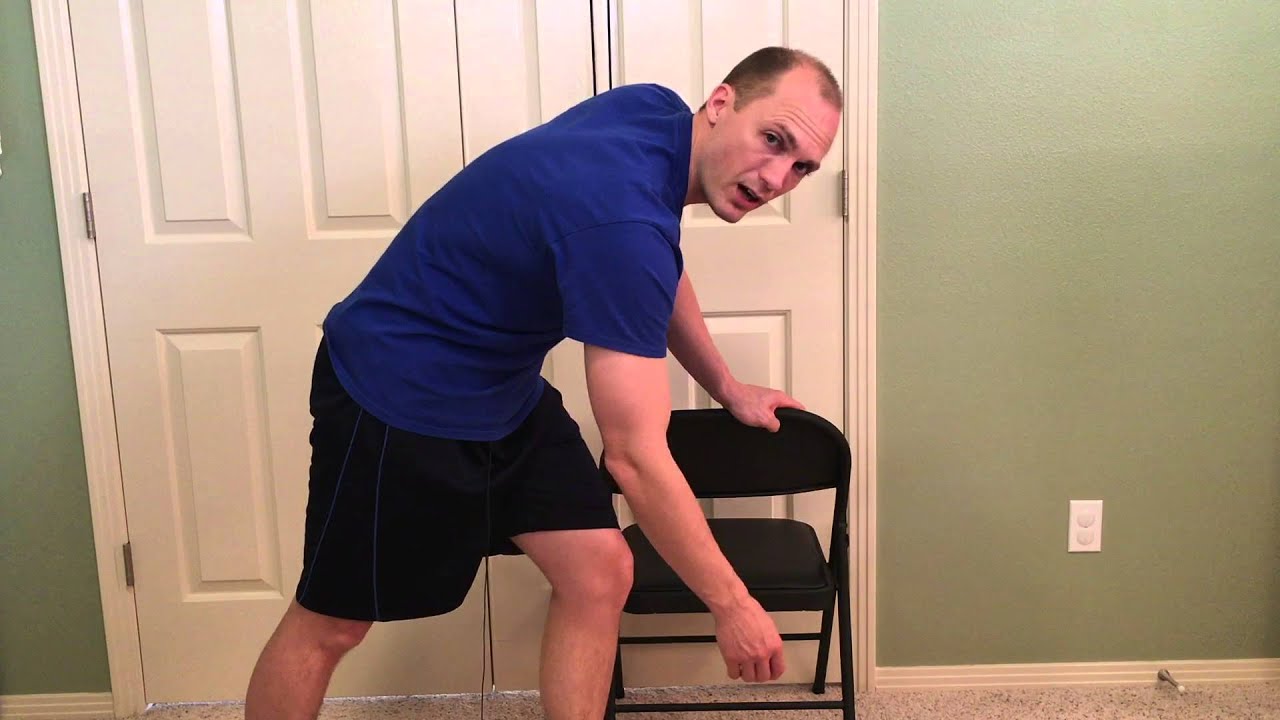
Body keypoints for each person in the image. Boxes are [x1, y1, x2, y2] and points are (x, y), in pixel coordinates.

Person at [244, 45, 843, 720]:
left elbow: (655, 260)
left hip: (501, 386)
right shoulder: (623, 219)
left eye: (802, 166)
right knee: (331, 623)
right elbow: (635, 458)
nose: (776, 177)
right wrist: (732, 605)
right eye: (774, 139)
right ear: (721, 103)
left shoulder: (650, 114)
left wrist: (726, 385)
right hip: (397, 389)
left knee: (599, 570)